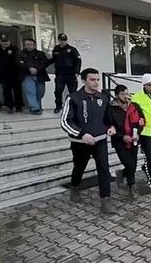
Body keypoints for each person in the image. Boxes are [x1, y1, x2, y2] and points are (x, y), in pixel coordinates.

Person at [60, 68, 117, 214]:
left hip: (100, 140)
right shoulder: (73, 98)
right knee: (79, 167)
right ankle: (75, 187)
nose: (96, 82)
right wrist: (81, 134)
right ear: (84, 80)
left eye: (97, 79)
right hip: (81, 142)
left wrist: (111, 127)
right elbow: (65, 121)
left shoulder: (103, 97)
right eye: (92, 79)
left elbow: (108, 117)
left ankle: (105, 201)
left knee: (104, 169)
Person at [108, 84, 145, 201]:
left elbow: (141, 119)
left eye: (127, 93)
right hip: (120, 142)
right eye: (123, 94)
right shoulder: (111, 108)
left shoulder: (134, 106)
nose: (126, 96)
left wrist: (140, 129)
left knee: (132, 165)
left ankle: (122, 173)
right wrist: (121, 136)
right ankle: (132, 189)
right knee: (130, 165)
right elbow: (109, 125)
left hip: (134, 140)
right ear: (117, 95)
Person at [17, 38, 50, 115]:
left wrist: (37, 69)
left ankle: (36, 106)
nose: (29, 46)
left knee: (40, 92)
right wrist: (29, 69)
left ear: (34, 45)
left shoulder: (40, 54)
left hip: (40, 76)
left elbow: (45, 63)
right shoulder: (20, 54)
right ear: (24, 45)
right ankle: (35, 108)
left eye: (30, 45)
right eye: (27, 45)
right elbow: (18, 63)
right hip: (27, 75)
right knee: (30, 91)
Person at [52, 33, 82, 114]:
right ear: (58, 40)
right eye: (61, 40)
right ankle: (58, 106)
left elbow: (78, 61)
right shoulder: (56, 49)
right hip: (60, 74)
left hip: (71, 74)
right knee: (58, 90)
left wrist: (77, 72)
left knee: (73, 92)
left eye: (64, 40)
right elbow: (53, 60)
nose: (63, 42)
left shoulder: (72, 49)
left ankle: (73, 107)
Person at [0, 34, 23, 113]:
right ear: (0, 41)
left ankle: (19, 106)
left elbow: (18, 61)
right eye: (3, 41)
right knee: (6, 90)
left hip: (14, 73)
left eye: (7, 41)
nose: (5, 43)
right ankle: (9, 106)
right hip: (3, 74)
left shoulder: (14, 49)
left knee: (17, 90)